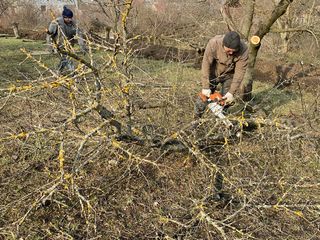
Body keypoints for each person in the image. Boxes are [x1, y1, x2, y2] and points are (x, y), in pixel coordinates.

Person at [194, 31, 248, 118]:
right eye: (228, 50)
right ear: (223, 44)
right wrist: (205, 86)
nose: (231, 53)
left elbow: (240, 72)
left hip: (229, 75)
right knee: (202, 99)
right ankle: (196, 119)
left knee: (225, 102)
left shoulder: (243, 49)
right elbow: (206, 64)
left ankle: (219, 121)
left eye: (233, 51)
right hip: (213, 73)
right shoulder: (214, 43)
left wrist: (231, 92)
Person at [46, 6, 87, 74]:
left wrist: (83, 47)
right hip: (58, 45)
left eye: (70, 18)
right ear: (63, 17)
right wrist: (50, 47)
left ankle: (58, 71)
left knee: (65, 58)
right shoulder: (56, 23)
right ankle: (72, 73)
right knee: (67, 58)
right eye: (67, 18)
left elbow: (79, 35)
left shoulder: (74, 24)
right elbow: (49, 35)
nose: (69, 20)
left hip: (69, 45)